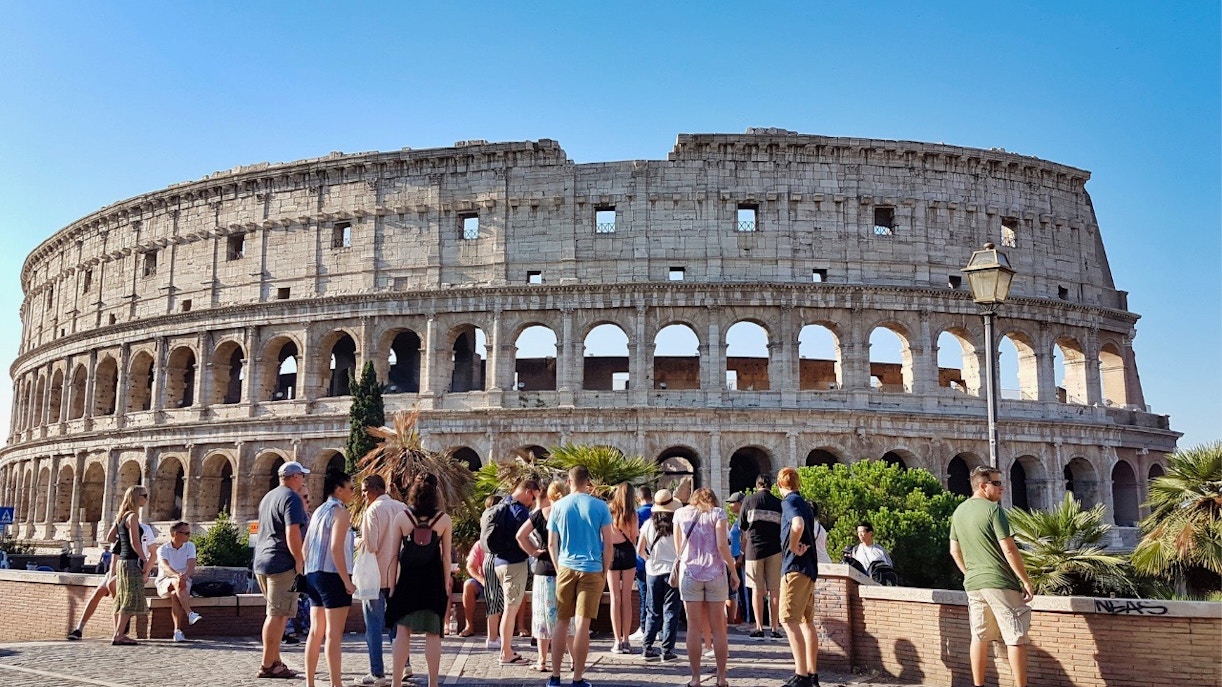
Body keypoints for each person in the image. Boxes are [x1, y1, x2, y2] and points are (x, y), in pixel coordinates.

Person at [949, 467, 1036, 687]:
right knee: (1015, 636)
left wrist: (969, 572)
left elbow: (953, 551)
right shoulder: (993, 510)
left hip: (974, 584)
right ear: (982, 486)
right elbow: (1009, 549)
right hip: (999, 581)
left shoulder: (959, 511)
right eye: (996, 483)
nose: (1002, 487)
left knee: (979, 636)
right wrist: (1025, 580)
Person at [546, 464, 613, 687]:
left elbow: (551, 543)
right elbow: (608, 545)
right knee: (583, 625)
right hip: (592, 567)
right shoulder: (600, 507)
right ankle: (577, 678)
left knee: (561, 623)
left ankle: (555, 677)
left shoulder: (558, 507)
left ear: (569, 481)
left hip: (565, 565)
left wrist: (558, 567)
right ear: (589, 482)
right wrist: (604, 571)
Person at [386, 473, 453, 687]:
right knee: (433, 633)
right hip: (432, 579)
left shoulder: (402, 518)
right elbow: (446, 556)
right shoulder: (443, 520)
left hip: (408, 578)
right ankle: (433, 683)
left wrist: (392, 587)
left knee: (403, 632)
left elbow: (393, 556)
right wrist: (445, 585)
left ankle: (396, 682)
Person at [674, 487, 739, 687]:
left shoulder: (680, 513)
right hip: (715, 573)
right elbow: (722, 544)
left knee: (693, 628)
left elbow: (679, 549)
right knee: (719, 628)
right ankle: (721, 677)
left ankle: (695, 678)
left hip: (690, 573)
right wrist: (733, 570)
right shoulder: (718, 513)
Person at [253, 460, 310, 679]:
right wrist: (299, 559)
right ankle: (267, 664)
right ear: (295, 477)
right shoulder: (292, 498)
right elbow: (292, 532)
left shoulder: (269, 496)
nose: (303, 480)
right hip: (282, 562)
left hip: (263, 561)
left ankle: (275, 661)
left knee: (277, 613)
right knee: (277, 615)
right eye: (302, 476)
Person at [302, 469, 356, 687]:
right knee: (334, 633)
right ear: (338, 489)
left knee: (315, 631)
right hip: (332, 576)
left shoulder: (318, 511)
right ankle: (336, 683)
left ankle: (310, 682)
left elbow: (306, 547)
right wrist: (347, 581)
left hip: (313, 573)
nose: (353, 493)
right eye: (351, 488)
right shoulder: (340, 513)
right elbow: (336, 549)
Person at [356, 474, 409, 686]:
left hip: (376, 575)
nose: (362, 495)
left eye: (364, 490)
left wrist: (357, 540)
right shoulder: (402, 507)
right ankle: (405, 665)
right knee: (398, 624)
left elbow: (372, 544)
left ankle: (377, 672)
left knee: (374, 625)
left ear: (374, 489)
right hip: (398, 573)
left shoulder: (373, 511)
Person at [67, 519, 156, 641]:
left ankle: (118, 632)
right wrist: (110, 578)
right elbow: (114, 557)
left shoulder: (145, 530)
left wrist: (146, 574)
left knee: (119, 598)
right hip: (118, 569)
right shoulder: (121, 533)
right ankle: (79, 628)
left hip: (135, 570)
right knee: (99, 592)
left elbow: (153, 553)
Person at [517, 480, 568, 672]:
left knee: (542, 617)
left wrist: (533, 551)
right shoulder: (568, 514)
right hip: (565, 566)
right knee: (566, 616)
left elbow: (520, 535)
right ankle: (571, 659)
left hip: (544, 566)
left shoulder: (540, 514)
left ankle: (542, 660)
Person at [777, 467, 820, 687]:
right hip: (810, 568)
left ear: (779, 485)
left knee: (788, 619)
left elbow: (797, 524)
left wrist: (793, 546)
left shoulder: (788, 502)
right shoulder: (804, 503)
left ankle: (801, 675)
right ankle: (812, 675)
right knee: (806, 622)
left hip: (795, 568)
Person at [489, 478, 538, 666]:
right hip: (514, 563)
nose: (532, 502)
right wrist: (535, 551)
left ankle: (506, 649)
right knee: (511, 609)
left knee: (508, 608)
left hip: (498, 562)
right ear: (528, 492)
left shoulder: (503, 502)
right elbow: (523, 536)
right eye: (533, 497)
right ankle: (506, 652)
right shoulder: (520, 511)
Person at [636, 488, 680, 662]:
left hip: (653, 572)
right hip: (672, 572)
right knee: (670, 611)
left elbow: (640, 550)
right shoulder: (676, 525)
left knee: (652, 610)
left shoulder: (647, 525)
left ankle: (647, 647)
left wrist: (649, 559)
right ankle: (667, 650)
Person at [739, 473, 784, 641]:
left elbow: (742, 525)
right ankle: (774, 628)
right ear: (771, 486)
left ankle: (758, 627)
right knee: (774, 590)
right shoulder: (779, 503)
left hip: (754, 549)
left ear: (757, 485)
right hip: (774, 549)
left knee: (756, 590)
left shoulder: (749, 501)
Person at [111, 485, 151, 645]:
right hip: (131, 561)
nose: (146, 499)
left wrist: (123, 543)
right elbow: (135, 541)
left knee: (123, 597)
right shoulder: (133, 517)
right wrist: (144, 558)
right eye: (144, 495)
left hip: (122, 561)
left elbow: (110, 537)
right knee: (130, 597)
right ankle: (119, 635)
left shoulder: (121, 516)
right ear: (136, 497)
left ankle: (118, 633)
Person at [607, 482, 640, 654]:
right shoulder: (632, 514)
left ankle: (616, 640)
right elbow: (634, 536)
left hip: (612, 552)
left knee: (615, 597)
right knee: (626, 597)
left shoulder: (609, 511)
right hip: (627, 552)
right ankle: (626, 639)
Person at [156, 521, 202, 642]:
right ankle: (190, 613)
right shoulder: (162, 549)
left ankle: (177, 631)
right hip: (165, 581)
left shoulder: (190, 546)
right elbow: (165, 566)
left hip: (183, 580)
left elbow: (191, 564)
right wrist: (177, 576)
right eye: (186, 533)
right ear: (176, 534)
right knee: (177, 583)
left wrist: (185, 575)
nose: (189, 536)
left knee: (175, 594)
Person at [477, 495, 505, 650]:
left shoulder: (485, 519)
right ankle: (493, 637)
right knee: (495, 599)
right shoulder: (494, 520)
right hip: (496, 558)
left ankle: (494, 636)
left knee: (494, 598)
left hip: (489, 559)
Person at [629, 484, 653, 642]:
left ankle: (644, 627)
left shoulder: (638, 515)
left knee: (644, 595)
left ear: (638, 498)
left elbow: (634, 536)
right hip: (660, 560)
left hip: (642, 560)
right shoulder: (660, 512)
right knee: (657, 596)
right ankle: (656, 627)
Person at [726, 492, 745, 626]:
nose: (730, 505)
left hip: (739, 558)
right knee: (735, 589)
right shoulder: (737, 520)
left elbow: (745, 537)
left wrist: (741, 555)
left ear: (740, 504)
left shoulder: (743, 520)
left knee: (743, 588)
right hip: (734, 557)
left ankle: (747, 618)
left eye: (732, 502)